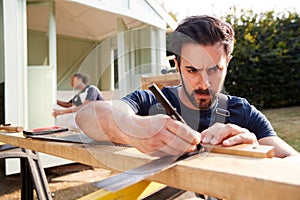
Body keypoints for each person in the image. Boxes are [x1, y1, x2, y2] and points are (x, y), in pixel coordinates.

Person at [75, 15, 299, 159]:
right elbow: (85, 116)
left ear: (227, 63)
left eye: (214, 69)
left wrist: (255, 149)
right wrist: (134, 128)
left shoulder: (243, 113)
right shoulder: (152, 102)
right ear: (178, 65)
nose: (204, 84)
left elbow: (293, 163)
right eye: (192, 70)